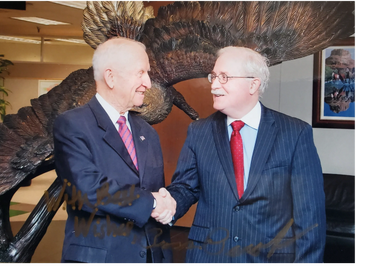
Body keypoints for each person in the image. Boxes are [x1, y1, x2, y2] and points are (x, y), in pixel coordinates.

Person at [167, 46, 326, 266]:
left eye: (224, 77)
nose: (213, 85)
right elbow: (186, 188)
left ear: (253, 84)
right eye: (213, 76)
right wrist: (168, 202)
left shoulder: (295, 133)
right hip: (210, 258)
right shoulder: (199, 132)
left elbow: (310, 216)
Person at [53, 37, 176, 266]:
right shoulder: (72, 125)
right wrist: (151, 203)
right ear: (110, 77)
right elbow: (88, 190)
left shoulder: (147, 132)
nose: (148, 83)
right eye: (140, 73)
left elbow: (155, 194)